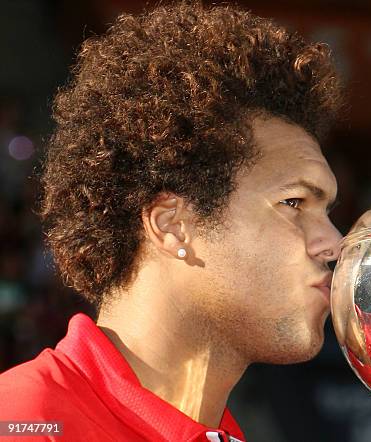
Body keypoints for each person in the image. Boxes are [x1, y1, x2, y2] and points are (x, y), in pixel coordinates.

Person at [0, 2, 343, 441]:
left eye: (327, 211)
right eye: (294, 203)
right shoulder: (25, 422)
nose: (333, 242)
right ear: (172, 225)